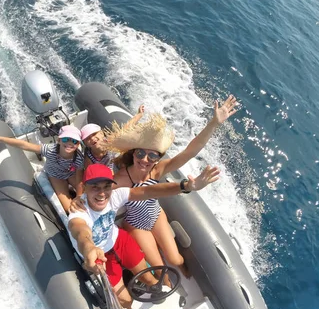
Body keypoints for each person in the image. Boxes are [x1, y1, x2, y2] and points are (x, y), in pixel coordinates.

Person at [98, 96, 239, 276]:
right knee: (159, 270)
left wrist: (213, 123)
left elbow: (189, 152)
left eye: (152, 156)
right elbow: (99, 190)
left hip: (156, 216)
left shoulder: (157, 171)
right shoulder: (119, 179)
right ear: (133, 154)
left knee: (175, 260)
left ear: (158, 158)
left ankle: (185, 273)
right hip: (135, 225)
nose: (145, 160)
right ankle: (163, 280)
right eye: (140, 153)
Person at [68, 163, 219, 309]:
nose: (102, 193)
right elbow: (81, 232)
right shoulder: (78, 212)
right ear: (84, 187)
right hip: (99, 255)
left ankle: (169, 308)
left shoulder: (115, 195)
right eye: (95, 187)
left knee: (149, 279)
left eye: (106, 186)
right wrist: (89, 248)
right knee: (125, 300)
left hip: (118, 240)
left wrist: (186, 186)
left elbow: (148, 191)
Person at [0, 125, 83, 212]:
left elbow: (79, 179)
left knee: (85, 195)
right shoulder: (50, 150)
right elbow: (24, 145)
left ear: (78, 144)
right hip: (56, 177)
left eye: (74, 141)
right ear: (59, 140)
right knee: (69, 208)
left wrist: (79, 196)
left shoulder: (79, 158)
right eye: (65, 139)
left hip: (70, 174)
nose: (69, 143)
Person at [81, 105, 145, 170]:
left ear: (101, 134)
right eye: (88, 138)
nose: (92, 138)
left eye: (94, 134)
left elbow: (125, 129)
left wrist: (139, 114)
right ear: (86, 144)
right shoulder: (89, 159)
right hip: (103, 170)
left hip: (113, 163)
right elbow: (91, 173)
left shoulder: (109, 141)